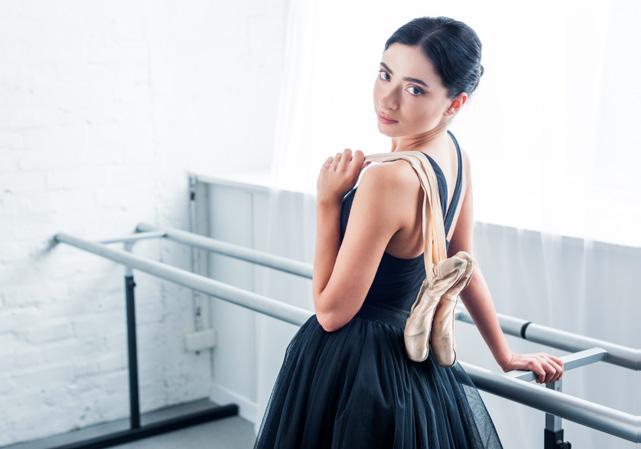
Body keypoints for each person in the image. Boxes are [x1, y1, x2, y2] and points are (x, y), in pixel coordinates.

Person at [253, 16, 564, 449]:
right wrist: (504, 354)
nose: (388, 98)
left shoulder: (389, 178)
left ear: (455, 103)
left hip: (356, 367)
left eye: (415, 89)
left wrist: (326, 203)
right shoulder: (456, 154)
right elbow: (465, 262)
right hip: (412, 363)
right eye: (385, 74)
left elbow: (332, 312)